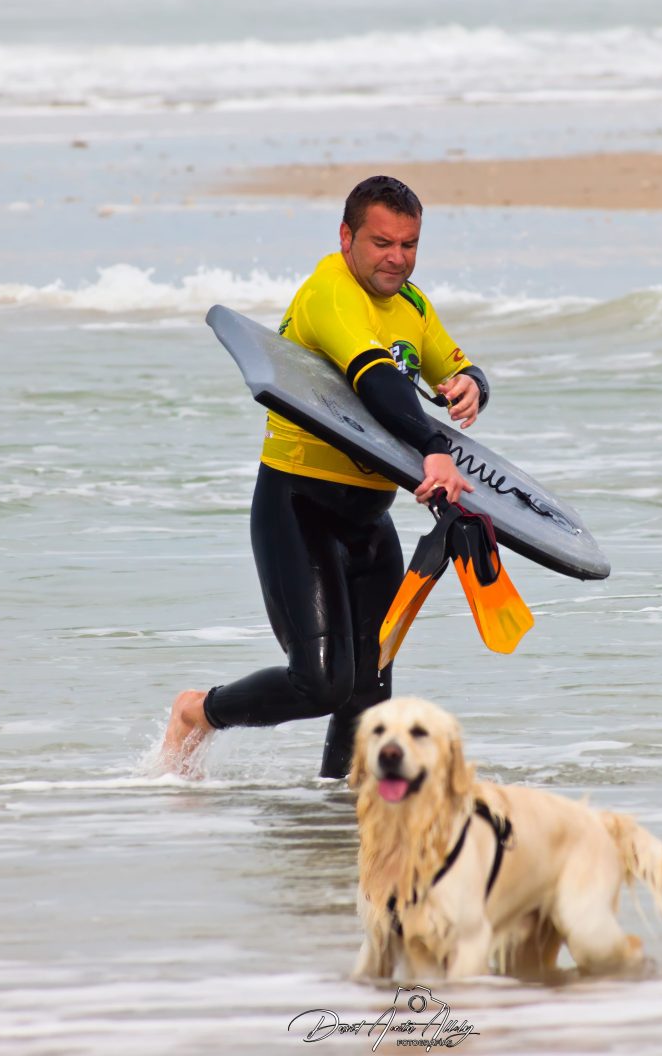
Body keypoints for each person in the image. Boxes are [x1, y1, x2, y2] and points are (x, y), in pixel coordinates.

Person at [163, 175, 490, 778]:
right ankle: (196, 713)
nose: (397, 258)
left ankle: (335, 823)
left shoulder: (411, 305)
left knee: (367, 700)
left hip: (369, 519)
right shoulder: (330, 293)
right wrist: (433, 448)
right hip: (298, 509)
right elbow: (379, 384)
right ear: (347, 237)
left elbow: (451, 362)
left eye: (409, 244)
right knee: (319, 684)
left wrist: (471, 383)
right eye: (382, 242)